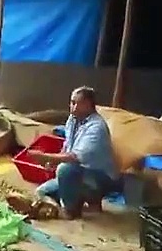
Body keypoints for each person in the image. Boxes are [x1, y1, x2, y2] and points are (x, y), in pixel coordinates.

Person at [28, 86, 120, 219]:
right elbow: (67, 147)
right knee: (42, 192)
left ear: (88, 105)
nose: (73, 107)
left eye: (77, 103)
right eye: (72, 102)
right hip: (79, 172)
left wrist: (46, 157)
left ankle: (72, 210)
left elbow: (74, 157)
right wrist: (52, 161)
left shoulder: (96, 127)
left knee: (65, 169)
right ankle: (79, 203)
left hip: (99, 176)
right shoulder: (73, 120)